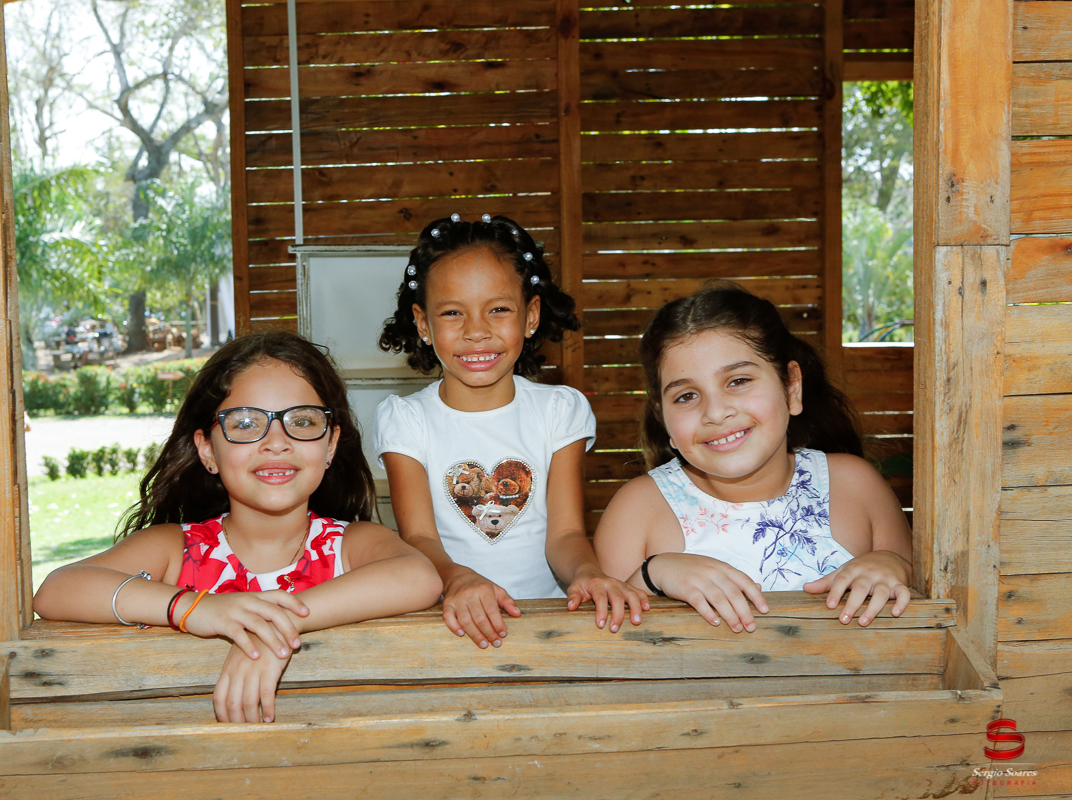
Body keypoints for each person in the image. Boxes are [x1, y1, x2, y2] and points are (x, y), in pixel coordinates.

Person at [32, 331, 442, 723]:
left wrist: (277, 627)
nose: (276, 441)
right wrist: (194, 608)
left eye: (301, 421)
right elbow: (57, 590)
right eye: (245, 423)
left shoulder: (351, 545)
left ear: (330, 445)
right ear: (207, 449)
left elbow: (419, 577)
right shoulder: (175, 550)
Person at [375, 213, 648, 650]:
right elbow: (419, 537)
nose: (477, 331)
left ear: (531, 315)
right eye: (452, 313)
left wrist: (587, 573)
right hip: (448, 621)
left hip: (546, 623)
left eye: (498, 309)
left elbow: (565, 535)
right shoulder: (406, 419)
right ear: (423, 323)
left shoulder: (559, 411)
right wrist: (459, 579)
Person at [594, 281, 913, 634]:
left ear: (791, 386)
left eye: (738, 380)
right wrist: (650, 576)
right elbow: (605, 653)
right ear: (663, 417)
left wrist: (894, 565)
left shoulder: (856, 485)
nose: (715, 412)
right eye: (686, 396)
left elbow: (922, 601)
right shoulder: (637, 511)